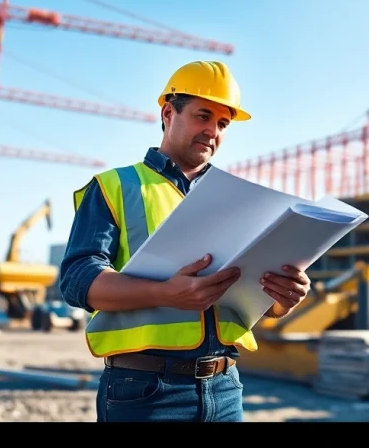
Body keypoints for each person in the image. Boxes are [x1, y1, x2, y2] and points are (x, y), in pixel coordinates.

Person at [59, 60, 312, 422]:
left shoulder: (237, 201)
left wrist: (280, 298)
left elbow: (243, 297)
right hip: (144, 390)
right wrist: (164, 293)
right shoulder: (116, 187)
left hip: (226, 387)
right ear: (168, 113)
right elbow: (77, 280)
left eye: (223, 123)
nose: (213, 130)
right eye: (203, 116)